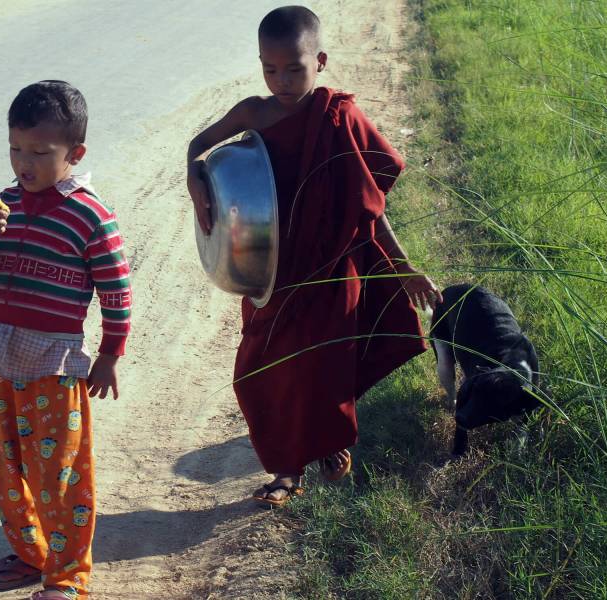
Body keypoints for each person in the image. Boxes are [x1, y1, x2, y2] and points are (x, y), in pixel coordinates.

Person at [186, 6, 441, 507]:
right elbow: (200, 144)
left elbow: (369, 206)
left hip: (331, 269)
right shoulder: (253, 113)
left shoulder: (339, 117)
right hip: (273, 271)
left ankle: (309, 459)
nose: (281, 80)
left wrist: (402, 265)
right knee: (262, 370)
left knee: (324, 366)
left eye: (294, 68)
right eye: (269, 68)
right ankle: (286, 464)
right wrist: (195, 177)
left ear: (320, 60)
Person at [0, 80, 131, 599]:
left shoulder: (90, 215)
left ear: (74, 153)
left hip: (55, 367)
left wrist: (110, 354)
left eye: (38, 152)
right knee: (8, 469)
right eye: (15, 148)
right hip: (5, 361)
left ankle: (69, 575)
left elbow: (117, 292)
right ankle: (32, 554)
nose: (22, 163)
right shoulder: (2, 205)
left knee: (60, 476)